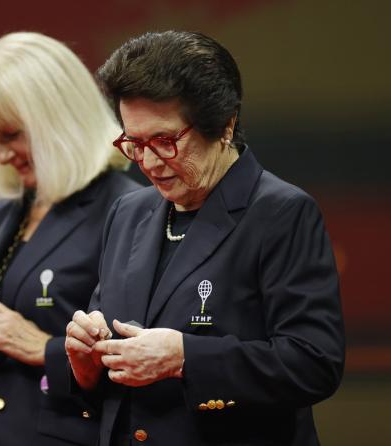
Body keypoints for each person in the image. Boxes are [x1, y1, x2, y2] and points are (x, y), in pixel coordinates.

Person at [65, 31, 345, 446]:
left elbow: (313, 363)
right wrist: (86, 362)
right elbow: (107, 362)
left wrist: (184, 357)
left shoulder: (280, 213)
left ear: (225, 125)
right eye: (134, 143)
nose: (148, 162)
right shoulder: (129, 212)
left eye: (164, 141)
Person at [0, 32, 140, 446]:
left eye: (9, 135)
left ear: (58, 121)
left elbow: (143, 367)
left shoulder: (128, 210)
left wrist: (47, 348)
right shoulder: (6, 212)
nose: (0, 155)